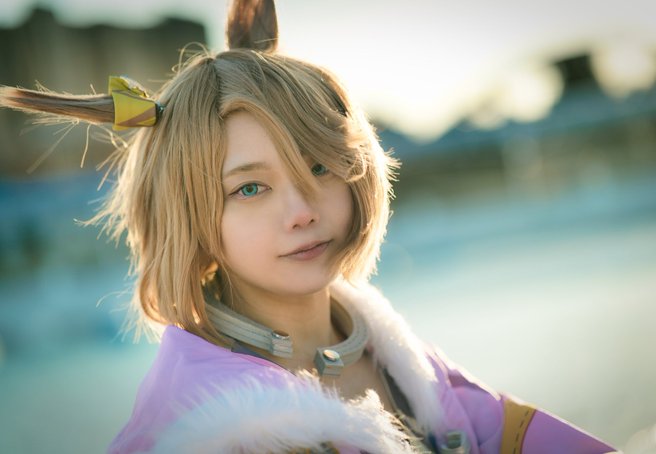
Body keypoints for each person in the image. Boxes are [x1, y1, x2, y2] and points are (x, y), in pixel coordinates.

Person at [0, 1, 619, 452]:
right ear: (190, 216)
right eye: (250, 188)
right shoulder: (209, 431)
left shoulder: (391, 351)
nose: (302, 210)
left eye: (319, 165)